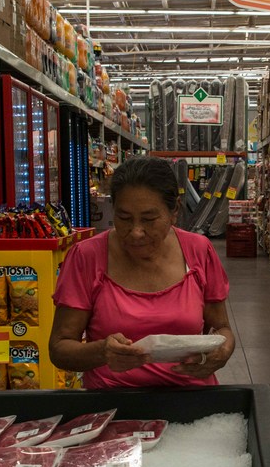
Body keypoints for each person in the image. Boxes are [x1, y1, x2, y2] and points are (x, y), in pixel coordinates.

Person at [49, 156, 235, 387]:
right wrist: (101, 352)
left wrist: (222, 351)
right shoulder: (86, 257)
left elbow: (222, 328)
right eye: (124, 218)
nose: (136, 232)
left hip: (192, 400)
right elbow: (59, 348)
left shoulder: (198, 251)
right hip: (113, 407)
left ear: (174, 210)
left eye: (149, 219)